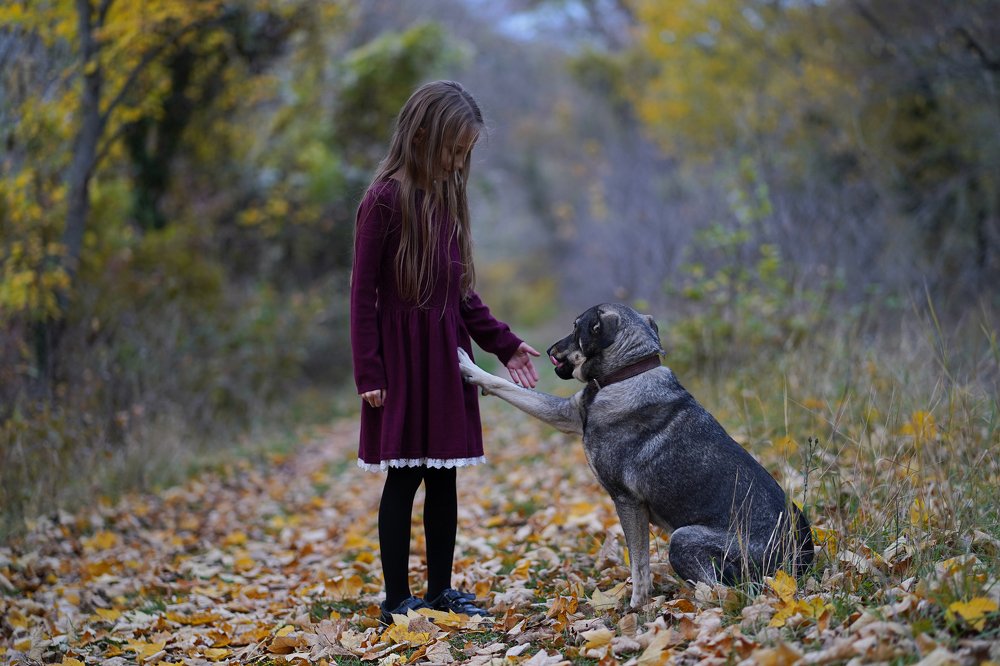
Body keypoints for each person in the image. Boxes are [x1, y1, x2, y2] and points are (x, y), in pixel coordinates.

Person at [350, 80, 540, 624]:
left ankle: (438, 592)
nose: (458, 162)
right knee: (404, 476)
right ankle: (395, 600)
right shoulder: (382, 200)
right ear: (423, 135)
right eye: (452, 149)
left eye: (465, 153)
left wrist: (503, 344)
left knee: (444, 477)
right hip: (401, 362)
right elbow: (363, 295)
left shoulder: (443, 200)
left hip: (445, 359)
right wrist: (370, 370)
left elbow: (461, 295)